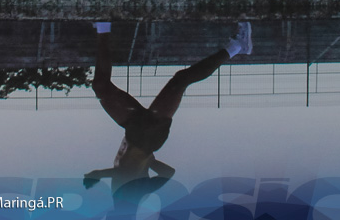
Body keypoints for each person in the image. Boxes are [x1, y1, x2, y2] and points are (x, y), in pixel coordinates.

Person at [84, 22, 253, 202]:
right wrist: (146, 162)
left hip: (134, 130)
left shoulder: (119, 197)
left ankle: (103, 27)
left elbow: (161, 172)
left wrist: (145, 163)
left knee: (101, 87)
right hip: (148, 135)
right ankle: (237, 47)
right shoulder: (133, 197)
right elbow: (164, 172)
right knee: (180, 80)